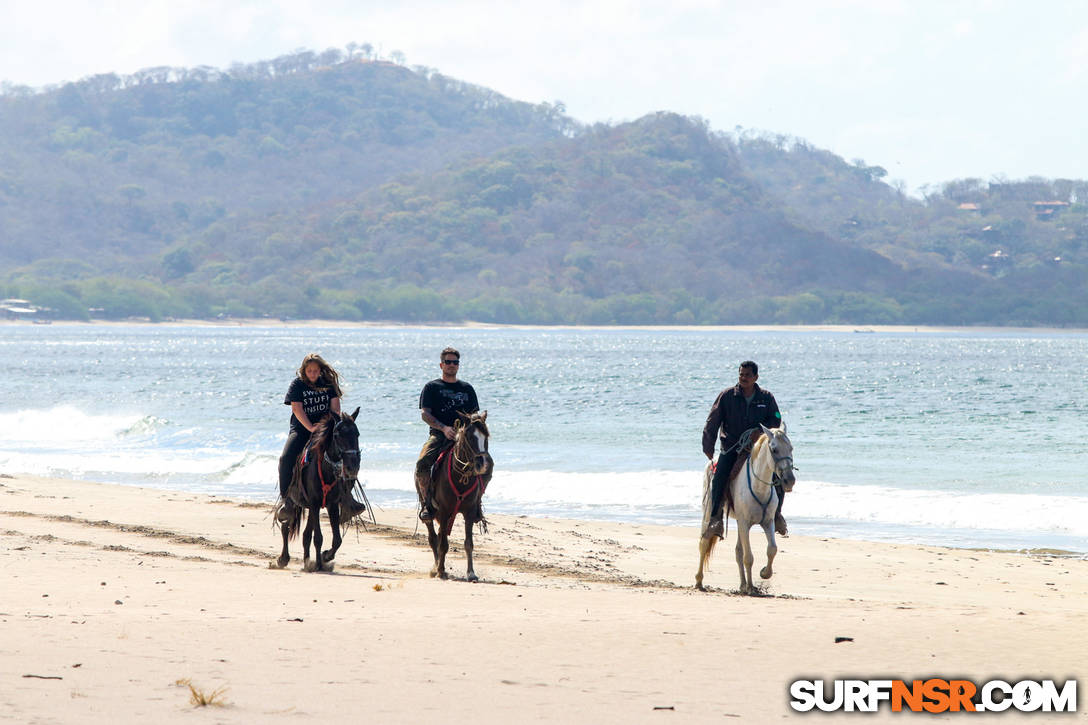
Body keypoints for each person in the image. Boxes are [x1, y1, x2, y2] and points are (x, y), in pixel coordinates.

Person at [701, 360, 787, 537]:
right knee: (720, 476)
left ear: (756, 377)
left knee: (778, 474)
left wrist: (759, 431)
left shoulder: (767, 397)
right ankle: (715, 519)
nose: (743, 378)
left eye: (748, 375)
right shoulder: (727, 396)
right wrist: (708, 444)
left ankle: (777, 514)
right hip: (731, 447)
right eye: (741, 374)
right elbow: (713, 420)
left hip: (757, 448)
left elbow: (776, 419)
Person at [277, 353, 364, 519]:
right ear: (304, 371)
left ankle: (347, 498)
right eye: (309, 371)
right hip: (302, 429)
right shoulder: (297, 385)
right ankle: (286, 500)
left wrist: (326, 426)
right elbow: (297, 409)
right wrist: (310, 427)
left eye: (315, 370)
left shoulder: (328, 383)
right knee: (285, 458)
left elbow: (335, 409)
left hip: (326, 429)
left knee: (347, 455)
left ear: (320, 370)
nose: (313, 374)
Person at [415, 347, 480, 521]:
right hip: (439, 435)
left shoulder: (467, 389)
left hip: (464, 438)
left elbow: (474, 416)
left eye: (455, 362)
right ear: (441, 365)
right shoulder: (432, 387)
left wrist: (466, 431)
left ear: (458, 365)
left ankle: (476, 504)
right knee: (422, 464)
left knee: (484, 463)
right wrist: (444, 428)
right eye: (448, 362)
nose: (452, 365)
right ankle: (427, 504)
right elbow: (425, 414)